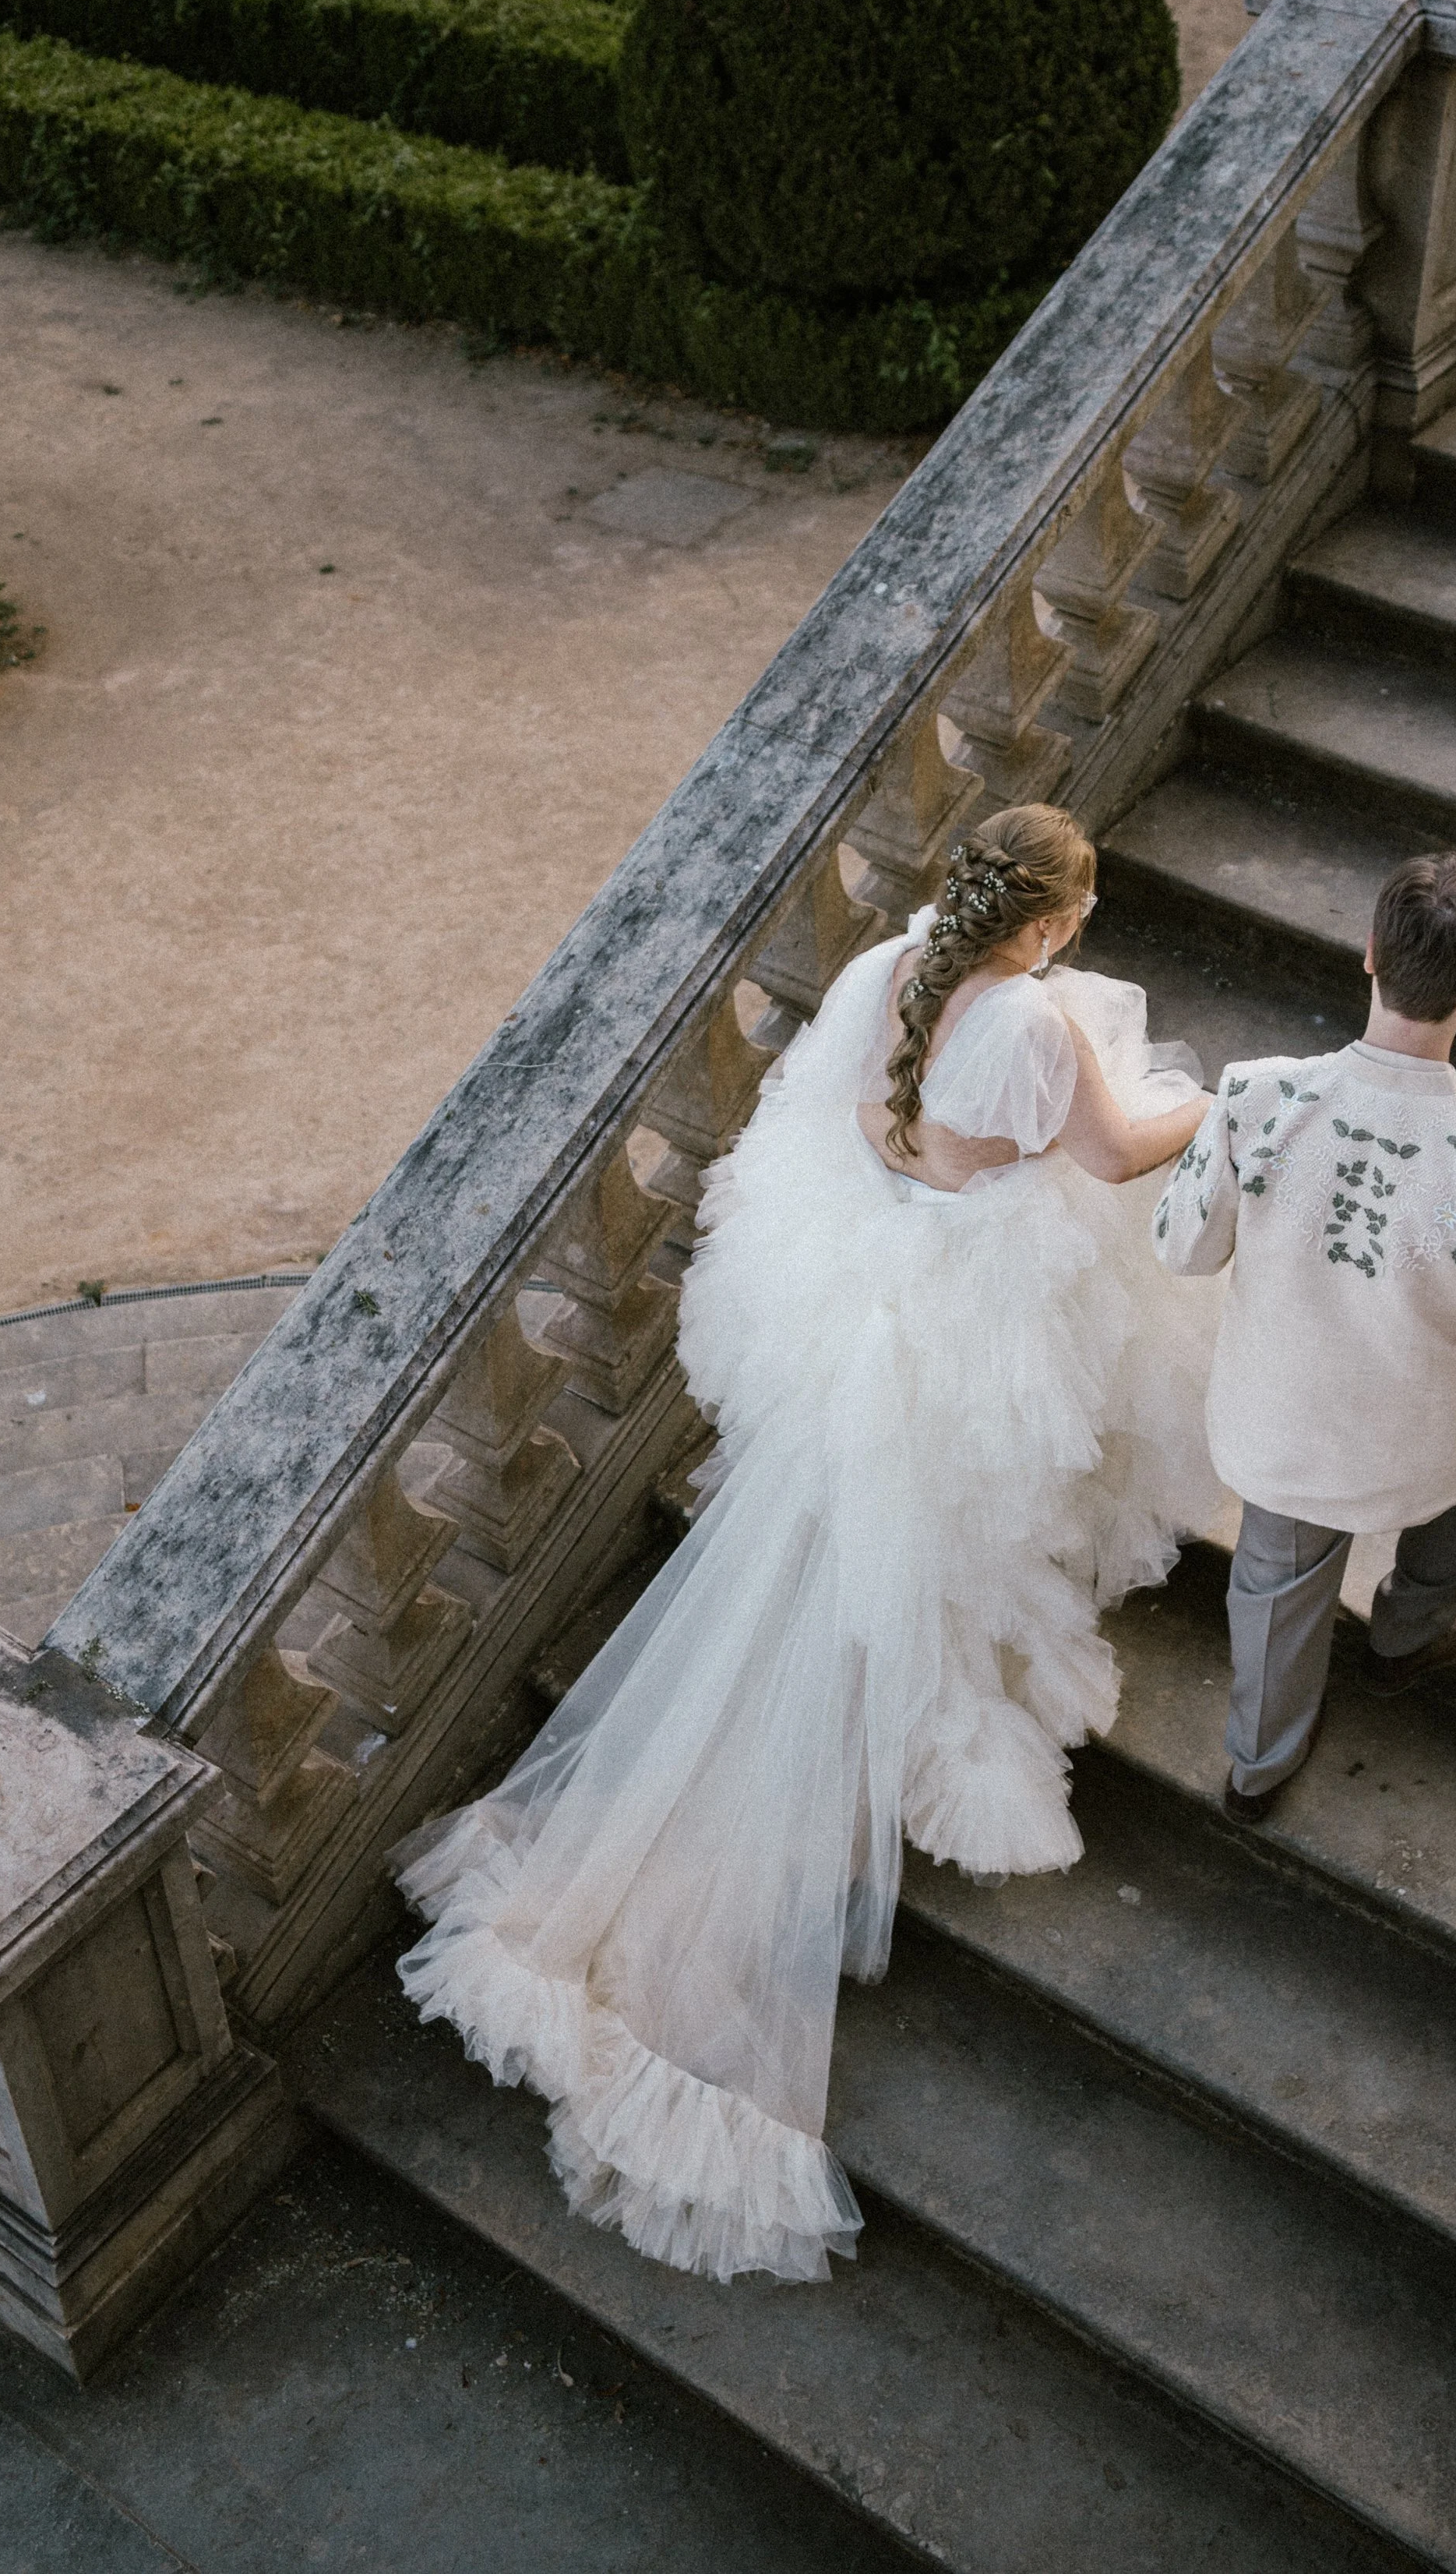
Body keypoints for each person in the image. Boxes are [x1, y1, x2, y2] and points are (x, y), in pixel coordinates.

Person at [391, 805, 1218, 2284]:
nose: (1079, 938)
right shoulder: (1033, 1021)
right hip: (964, 1312)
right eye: (1075, 915)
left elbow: (849, 1116)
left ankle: (821, 1734)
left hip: (873, 1283)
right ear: (1042, 923)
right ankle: (889, 1743)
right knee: (937, 1537)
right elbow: (1114, 1152)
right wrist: (1224, 1106)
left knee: (841, 1541)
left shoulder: (896, 964)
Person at [1154, 849, 1456, 1826]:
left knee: (1274, 1578)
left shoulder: (1254, 1096)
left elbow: (1180, 1250)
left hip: (1286, 1436)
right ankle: (1409, 1627)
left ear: (1369, 952)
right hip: (1422, 1448)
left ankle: (1258, 1765)